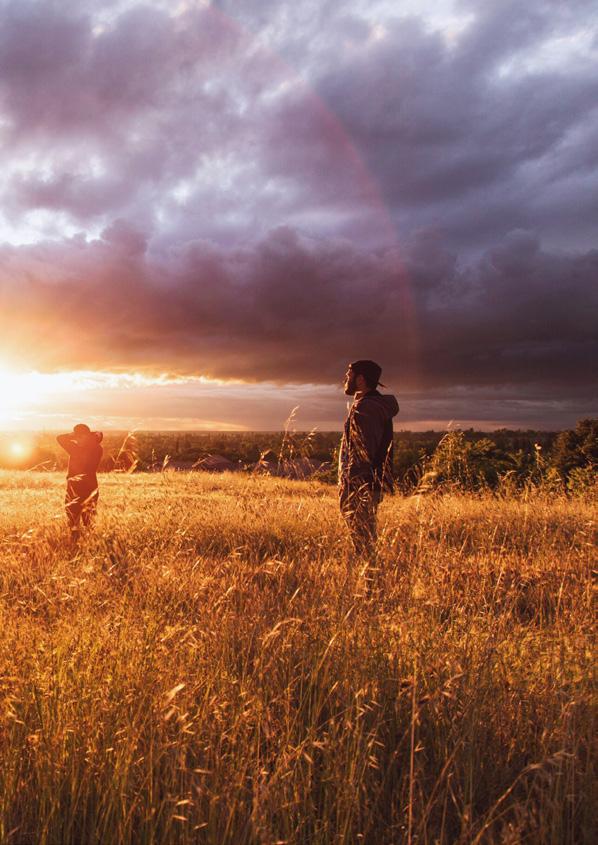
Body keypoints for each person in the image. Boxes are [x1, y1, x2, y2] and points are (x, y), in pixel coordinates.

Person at [339, 360, 399, 565]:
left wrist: (353, 485)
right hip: (365, 484)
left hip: (362, 485)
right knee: (363, 538)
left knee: (363, 540)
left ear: (361, 379)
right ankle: (368, 578)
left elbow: (364, 452)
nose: (345, 379)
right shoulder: (367, 405)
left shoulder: (368, 409)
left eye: (349, 375)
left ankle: (371, 582)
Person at [57, 424, 103, 537]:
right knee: (73, 517)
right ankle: (76, 540)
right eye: (76, 437)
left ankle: (89, 542)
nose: (77, 440)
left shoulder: (87, 449)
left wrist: (78, 436)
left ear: (86, 436)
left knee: (88, 519)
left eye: (79, 437)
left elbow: (61, 438)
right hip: (79, 486)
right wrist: (90, 435)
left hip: (86, 487)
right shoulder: (90, 447)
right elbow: (59, 438)